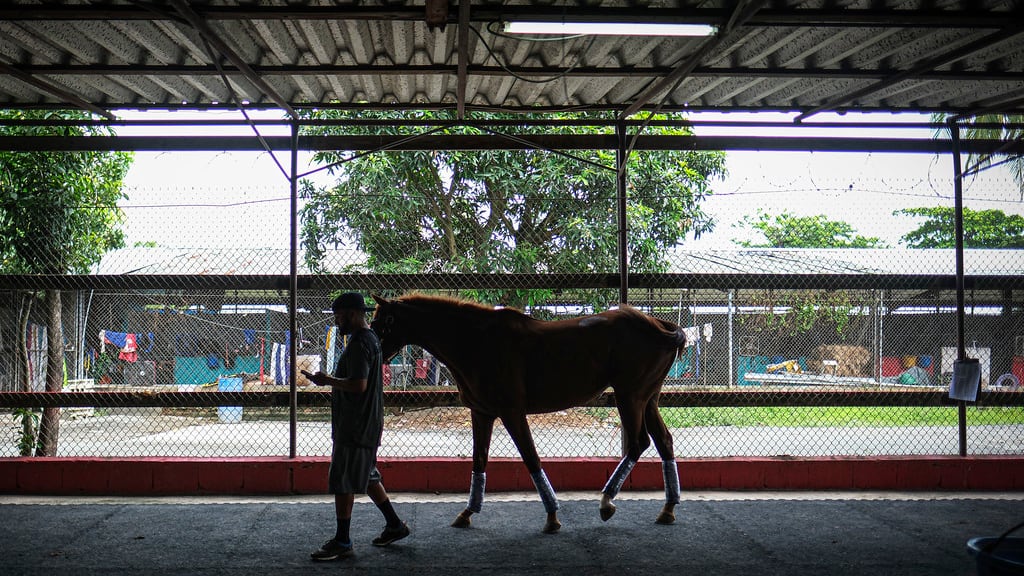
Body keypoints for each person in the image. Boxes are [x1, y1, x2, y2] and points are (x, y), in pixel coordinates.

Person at [302, 292, 409, 561]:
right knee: (367, 474)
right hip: (366, 422)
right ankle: (394, 525)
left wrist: (327, 380)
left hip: (356, 424)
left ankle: (342, 540)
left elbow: (359, 385)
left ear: (351, 314)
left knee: (343, 480)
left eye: (339, 317)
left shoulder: (360, 343)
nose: (337, 322)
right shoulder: (371, 339)